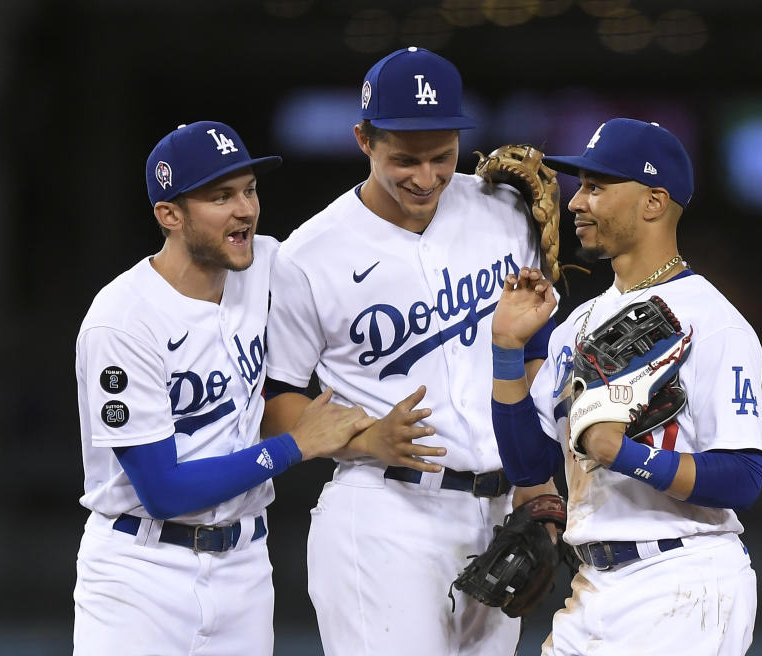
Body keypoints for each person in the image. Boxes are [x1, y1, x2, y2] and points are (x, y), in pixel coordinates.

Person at [262, 47, 558, 655]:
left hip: (501, 511)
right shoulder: (309, 255)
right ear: (363, 140)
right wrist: (364, 437)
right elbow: (276, 404)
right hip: (385, 510)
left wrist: (537, 483)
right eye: (404, 159)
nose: (425, 177)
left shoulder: (504, 210)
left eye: (442, 157)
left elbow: (533, 354)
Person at [72, 120, 372, 656]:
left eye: (250, 190)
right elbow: (163, 491)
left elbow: (358, 251)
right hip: (140, 572)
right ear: (169, 214)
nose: (246, 209)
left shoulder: (266, 267)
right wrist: (293, 446)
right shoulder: (122, 321)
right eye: (221, 196)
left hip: (245, 568)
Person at [489, 118, 762, 655]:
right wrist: (506, 351)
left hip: (682, 579)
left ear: (653, 202)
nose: (575, 202)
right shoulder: (578, 322)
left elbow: (743, 477)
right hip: (592, 585)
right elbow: (529, 466)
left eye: (596, 187)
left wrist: (625, 454)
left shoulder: (714, 322)